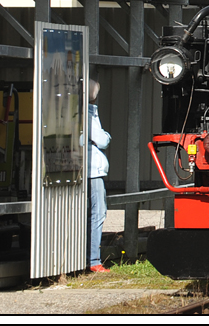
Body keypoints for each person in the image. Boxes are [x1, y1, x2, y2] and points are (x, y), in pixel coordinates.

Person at [87, 79, 111, 273]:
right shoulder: (87, 114)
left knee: (93, 213)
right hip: (92, 171)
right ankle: (94, 259)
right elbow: (102, 140)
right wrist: (106, 135)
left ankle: (91, 257)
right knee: (98, 213)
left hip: (89, 170)